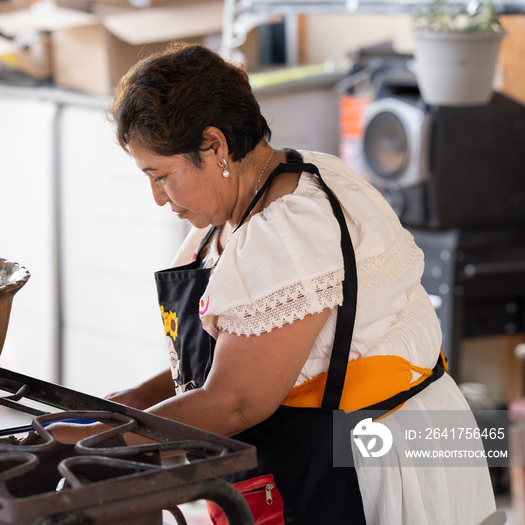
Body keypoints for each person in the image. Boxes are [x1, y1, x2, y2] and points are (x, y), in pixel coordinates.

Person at [44, 42, 498, 524]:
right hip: (321, 452)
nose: (157, 198)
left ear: (215, 145)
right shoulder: (245, 209)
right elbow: (243, 349)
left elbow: (237, 399)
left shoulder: (288, 232)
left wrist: (106, 440)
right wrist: (141, 400)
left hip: (368, 458)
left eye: (161, 175)